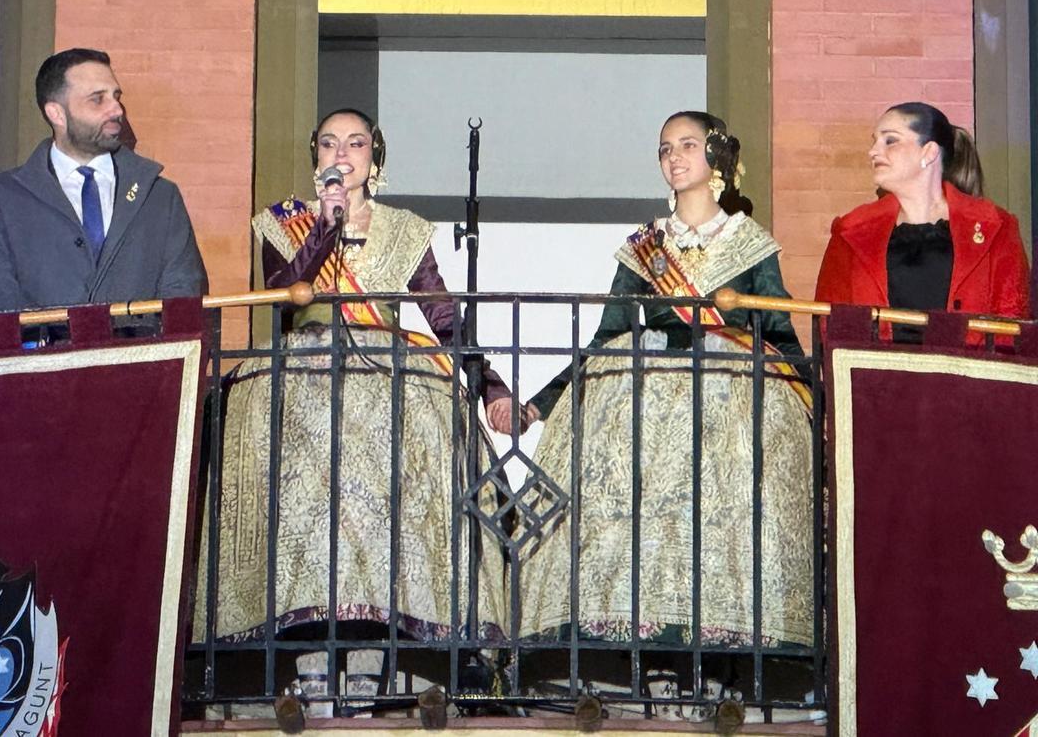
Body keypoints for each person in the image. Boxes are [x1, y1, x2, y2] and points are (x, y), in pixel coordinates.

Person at [196, 109, 515, 683]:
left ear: (376, 157)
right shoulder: (283, 222)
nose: (341, 153)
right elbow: (285, 295)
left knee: (390, 492)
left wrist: (489, 387)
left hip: (388, 371)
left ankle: (374, 654)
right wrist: (326, 224)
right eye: (328, 143)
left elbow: (442, 317)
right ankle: (312, 655)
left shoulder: (405, 230)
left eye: (356, 142)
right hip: (305, 371)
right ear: (314, 156)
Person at [515, 112, 814, 704]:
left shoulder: (751, 244)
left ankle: (717, 663)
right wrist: (541, 403)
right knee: (642, 529)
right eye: (664, 149)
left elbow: (777, 332)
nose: (674, 158)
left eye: (687, 146)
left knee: (718, 529)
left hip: (724, 413)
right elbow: (605, 337)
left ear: (717, 159)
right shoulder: (643, 248)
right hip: (643, 410)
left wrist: (817, 400)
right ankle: (648, 656)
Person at [0, 48, 205, 312]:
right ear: (56, 114)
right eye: (97, 100)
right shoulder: (2, 198)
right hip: (43, 353)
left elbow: (182, 293)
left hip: (141, 352)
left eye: (116, 97)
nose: (117, 109)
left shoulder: (160, 195)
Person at [815, 102, 1029, 340]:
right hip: (878, 376)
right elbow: (830, 326)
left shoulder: (996, 226)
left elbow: (1013, 322)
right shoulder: (850, 231)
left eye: (890, 141)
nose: (873, 151)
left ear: (929, 152)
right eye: (874, 141)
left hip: (967, 376)